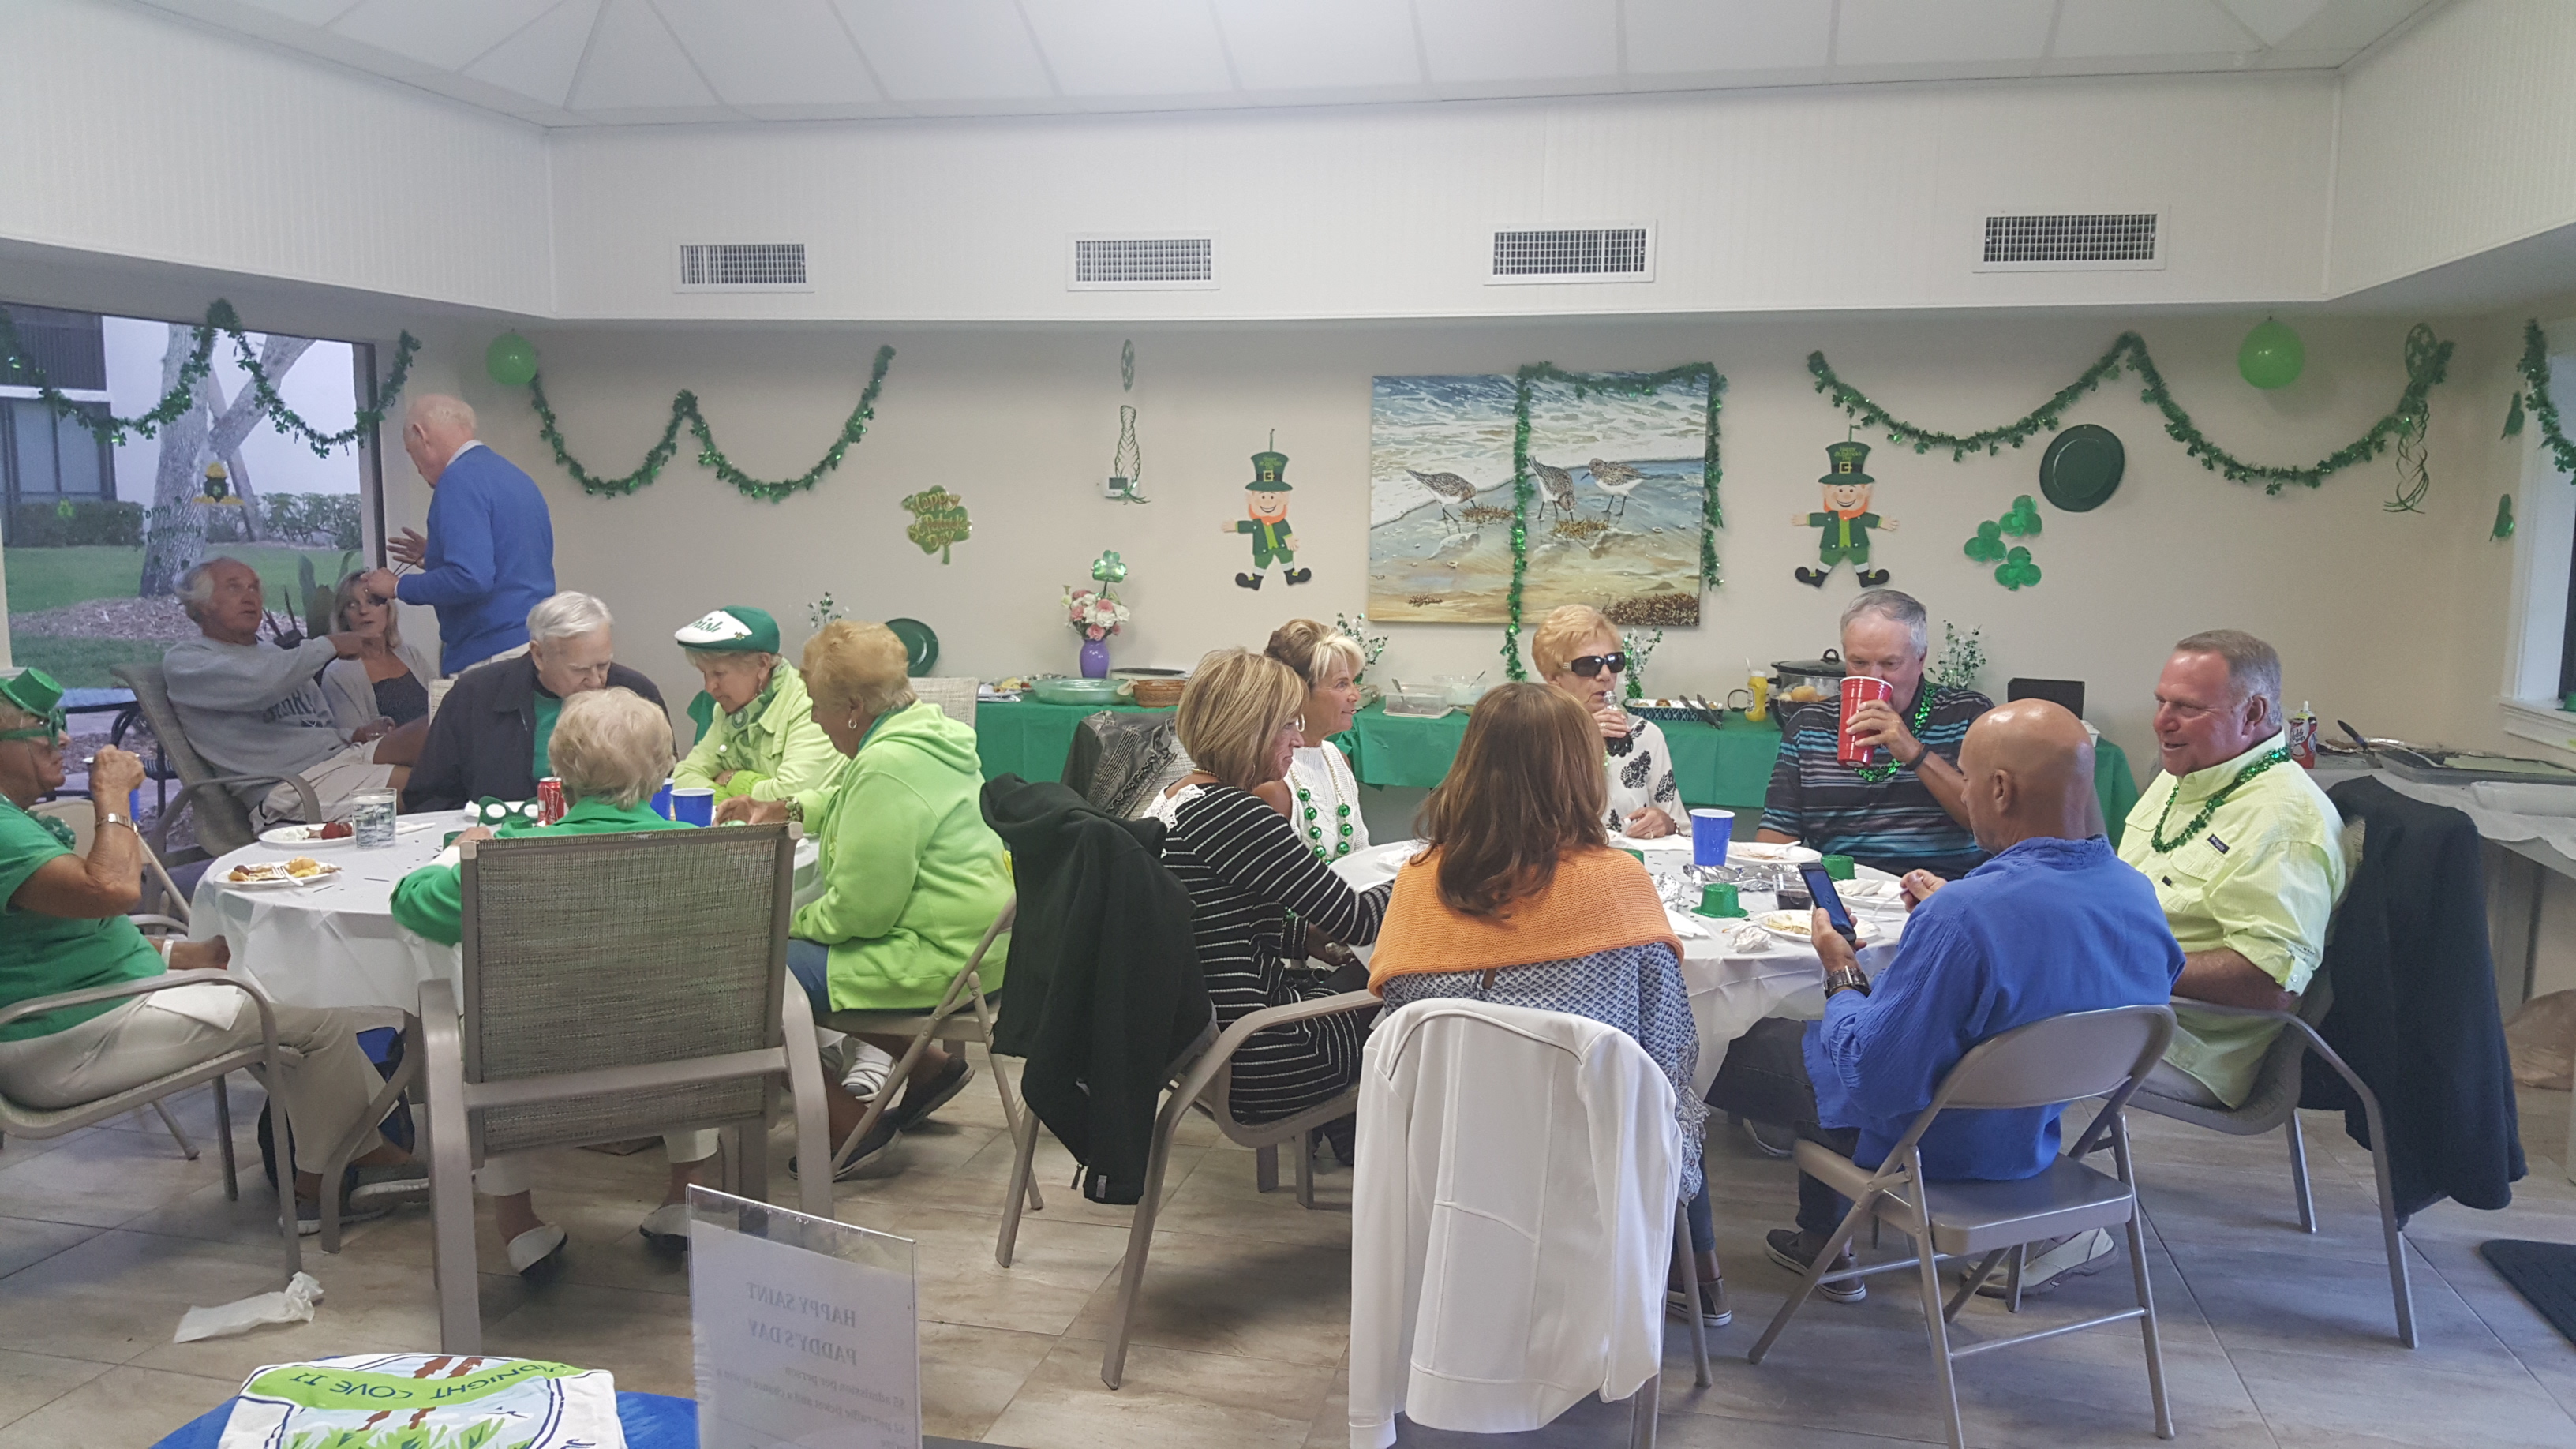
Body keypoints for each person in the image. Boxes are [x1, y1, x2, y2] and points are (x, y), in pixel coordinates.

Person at [1710, 701, 2183, 1301]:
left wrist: (1842, 972)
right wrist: (1947, 919)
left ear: (2001, 790)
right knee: (1846, 1029)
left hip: (1927, 1146)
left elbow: (1872, 1079)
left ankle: (1690, 1271)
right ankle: (1822, 1239)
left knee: (1713, 1041)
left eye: (1967, 778)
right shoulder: (2135, 894)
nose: (1963, 793)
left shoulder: (1966, 916)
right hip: (2032, 1136)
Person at [0, 668, 417, 1231]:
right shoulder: (4, 831)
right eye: (42, 728)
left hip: (86, 1012)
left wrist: (178, 954)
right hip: (67, 1041)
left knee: (285, 994)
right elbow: (113, 890)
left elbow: (57, 939)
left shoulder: (14, 822)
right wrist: (113, 799)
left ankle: (359, 1155)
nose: (64, 738)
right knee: (314, 1015)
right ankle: (325, 1186)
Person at [1366, 683, 1720, 1325]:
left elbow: (1400, 1038)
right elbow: (1669, 1054)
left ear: (1468, 768)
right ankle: (1696, 1278)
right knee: (1679, 1101)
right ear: (1581, 775)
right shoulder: (1619, 884)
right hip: (1588, 1172)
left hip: (1445, 1166)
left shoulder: (1417, 886)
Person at [391, 687, 713, 1266]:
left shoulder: (508, 858)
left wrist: (457, 852)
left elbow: (411, 903)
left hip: (531, 1059)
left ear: (560, 770)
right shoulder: (709, 853)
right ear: (665, 768)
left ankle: (519, 1227)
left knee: (488, 1034)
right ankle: (685, 1199)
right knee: (684, 1007)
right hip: (680, 1054)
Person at [717, 622, 1014, 1175]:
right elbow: (853, 796)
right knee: (786, 965)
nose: (813, 718)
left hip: (938, 959)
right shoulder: (926, 735)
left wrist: (780, 924)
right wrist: (790, 808)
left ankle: (850, 1127)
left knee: (746, 975)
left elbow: (860, 914)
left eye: (817, 706)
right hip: (982, 948)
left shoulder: (887, 766)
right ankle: (927, 1067)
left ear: (854, 708)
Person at [1144, 649, 1391, 1124]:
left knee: (1367, 977)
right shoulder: (1236, 814)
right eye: (1288, 725)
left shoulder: (1179, 797)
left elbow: (1214, 920)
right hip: (1262, 1056)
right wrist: (1422, 874)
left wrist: (1303, 937)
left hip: (1203, 1046)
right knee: (1413, 989)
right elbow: (1358, 920)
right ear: (1248, 729)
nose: (1298, 739)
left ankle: (1344, 1139)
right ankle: (1371, 1147)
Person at [2120, 630, 2348, 1112]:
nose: (2161, 721)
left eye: (2187, 708)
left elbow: (2269, 982)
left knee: (1985, 1021)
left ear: (2253, 713)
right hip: (2124, 1003)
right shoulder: (2187, 774)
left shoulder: (2286, 822)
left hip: (2183, 1043)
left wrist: (2120, 961)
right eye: (2161, 702)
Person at [163, 557, 428, 827]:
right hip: (290, 787)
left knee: (439, 729)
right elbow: (262, 686)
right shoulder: (188, 662)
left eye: (254, 588)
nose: (250, 597)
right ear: (201, 604)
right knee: (428, 782)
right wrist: (329, 645)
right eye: (234, 588)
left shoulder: (275, 655)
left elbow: (319, 724)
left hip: (339, 758)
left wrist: (354, 734)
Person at [1758, 588, 1993, 878]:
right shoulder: (1810, 724)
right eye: (1858, 663)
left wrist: (1914, 753)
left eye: (1890, 664)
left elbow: (1989, 824)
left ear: (1920, 660)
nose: (1873, 677)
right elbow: (1778, 833)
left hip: (1941, 891)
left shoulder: (1967, 715)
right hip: (1841, 890)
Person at [401, 592, 664, 812]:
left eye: (604, 665)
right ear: (539, 655)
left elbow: (664, 783)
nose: (596, 681)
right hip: (499, 839)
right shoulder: (474, 695)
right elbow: (427, 796)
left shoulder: (636, 693)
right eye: (580, 670)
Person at [354, 394, 556, 676]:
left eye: (411, 453)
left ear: (421, 434)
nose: (417, 467)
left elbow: (471, 578)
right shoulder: (515, 477)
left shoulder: (457, 480)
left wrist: (397, 586)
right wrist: (435, 556)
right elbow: (510, 561)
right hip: (534, 644)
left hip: (490, 654)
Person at [1532, 605, 1685, 839]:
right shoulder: (1534, 737)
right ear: (1553, 678)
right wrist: (1583, 739)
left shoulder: (1644, 734)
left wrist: (1666, 823)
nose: (1605, 675)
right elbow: (1528, 826)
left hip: (1632, 859)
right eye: (1588, 665)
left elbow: (1683, 831)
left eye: (1614, 662)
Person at [669, 607, 839, 805]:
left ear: (762, 664)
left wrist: (734, 780)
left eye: (719, 674)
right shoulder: (729, 706)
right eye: (704, 673)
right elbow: (682, 778)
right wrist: (732, 803)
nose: (709, 687)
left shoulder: (810, 705)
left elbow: (790, 797)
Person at [1263, 619, 1369, 863]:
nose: (1355, 695)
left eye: (1354, 682)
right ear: (1298, 692)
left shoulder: (1337, 759)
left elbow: (1361, 855)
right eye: (1342, 684)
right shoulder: (1272, 779)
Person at [320, 570, 435, 732]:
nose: (363, 611)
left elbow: (444, 707)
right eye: (352, 605)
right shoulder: (337, 674)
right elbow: (354, 739)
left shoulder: (410, 654)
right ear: (343, 616)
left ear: (388, 609)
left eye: (372, 602)